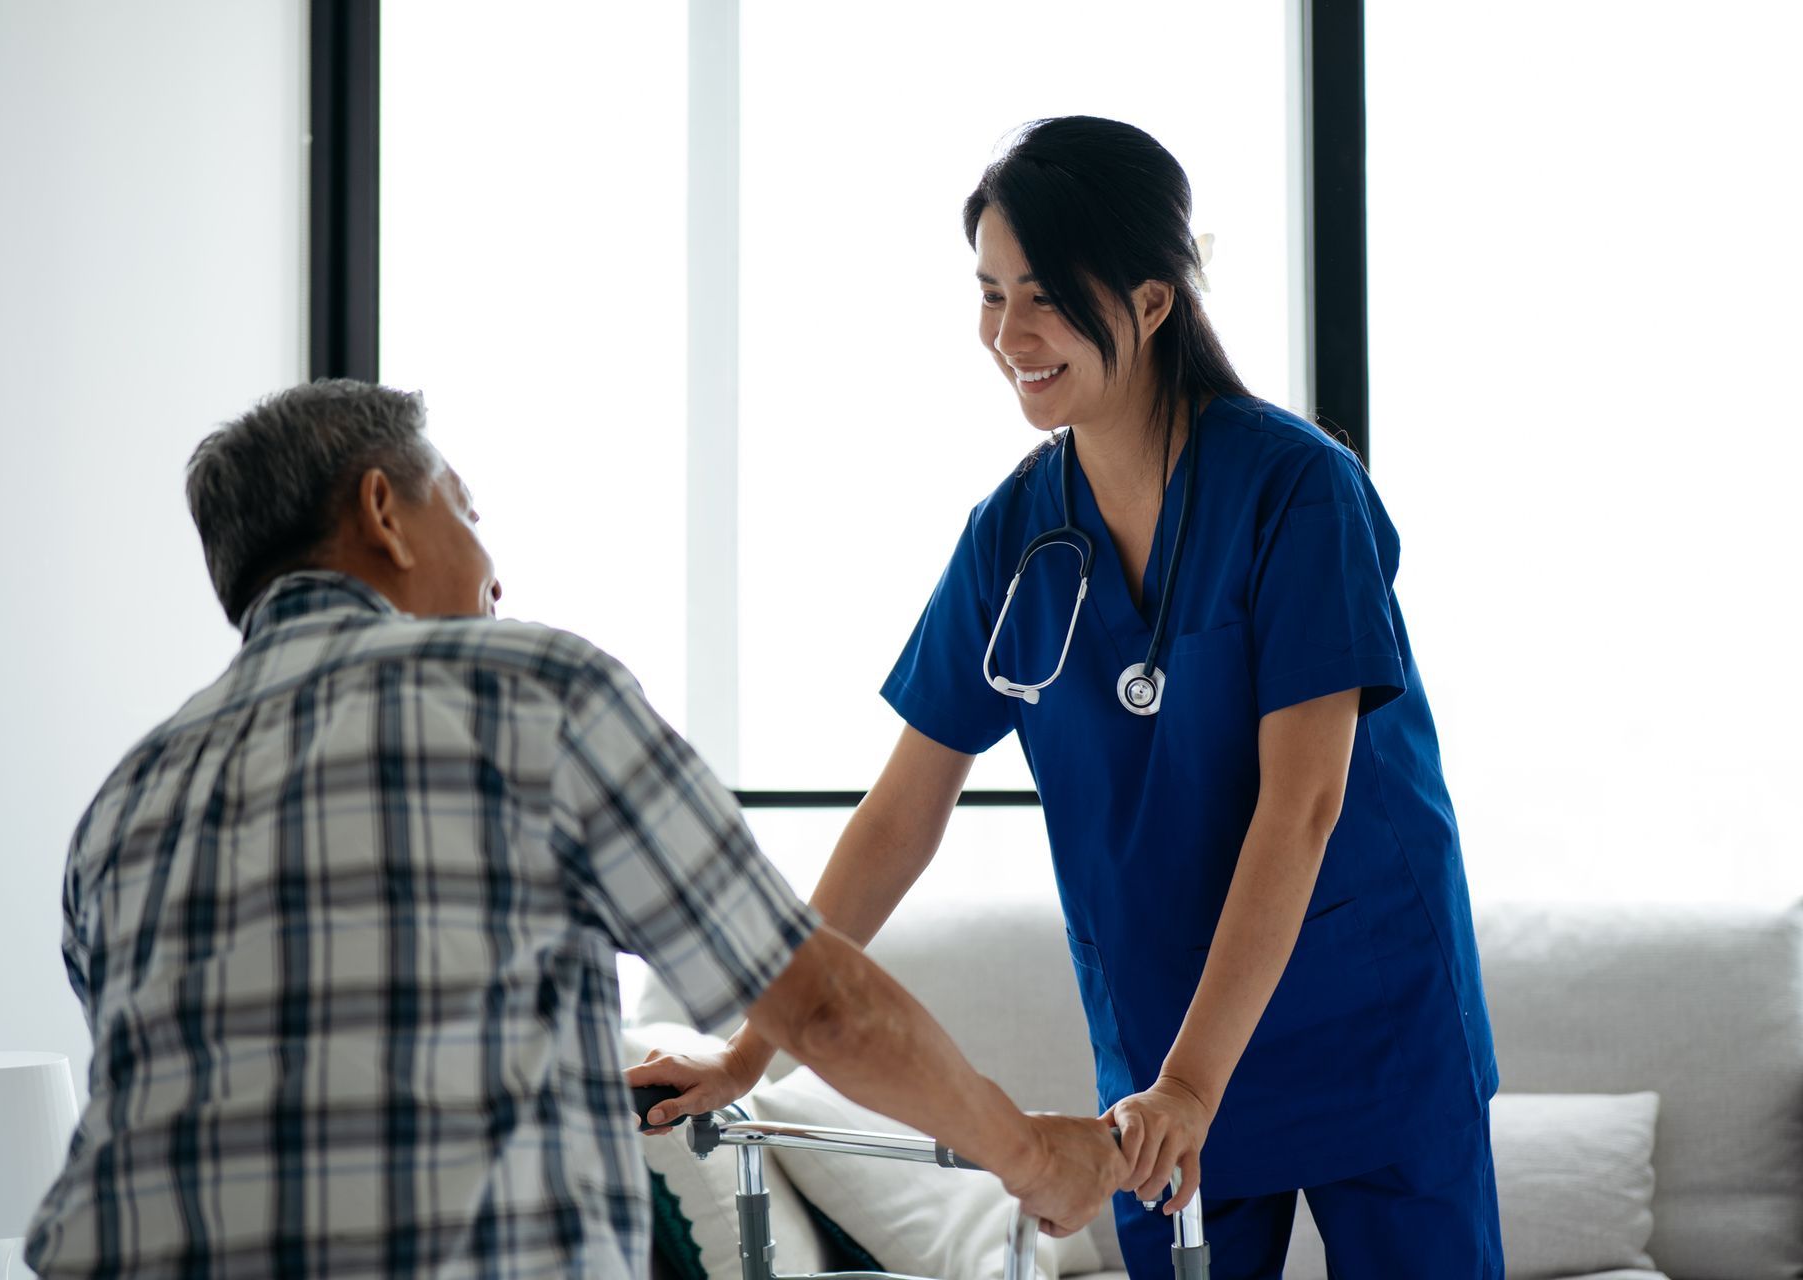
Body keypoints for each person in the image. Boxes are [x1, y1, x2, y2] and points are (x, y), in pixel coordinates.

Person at [642, 117, 1505, 1278]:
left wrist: (1200, 1079)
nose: (1009, 334)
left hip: (1368, 1019)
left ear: (1151, 303)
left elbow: (1302, 805)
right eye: (991, 294)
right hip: (1161, 1052)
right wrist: (754, 1049)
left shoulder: (1300, 491)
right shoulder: (1014, 536)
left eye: (1044, 296)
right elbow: (901, 812)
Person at [20, 379, 1122, 1279]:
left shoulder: (119, 806)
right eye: (467, 507)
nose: (496, 567)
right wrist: (1031, 1154)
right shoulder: (530, 689)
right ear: (383, 513)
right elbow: (822, 1000)